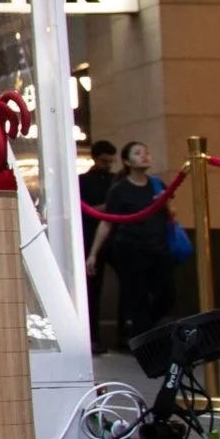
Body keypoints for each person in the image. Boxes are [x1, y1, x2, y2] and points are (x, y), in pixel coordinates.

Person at [85, 141, 175, 347]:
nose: (144, 156)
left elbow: (171, 214)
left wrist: (165, 202)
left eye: (146, 152)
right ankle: (145, 343)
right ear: (127, 161)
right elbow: (107, 221)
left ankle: (141, 330)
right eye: (137, 153)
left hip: (159, 248)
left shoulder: (157, 184)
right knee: (138, 297)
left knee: (167, 295)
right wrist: (93, 254)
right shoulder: (120, 190)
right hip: (131, 249)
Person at [78, 139, 118, 353]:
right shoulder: (83, 181)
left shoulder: (116, 180)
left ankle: (122, 334)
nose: (108, 165)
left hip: (116, 237)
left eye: (110, 161)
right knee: (93, 290)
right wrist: (105, 208)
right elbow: (83, 209)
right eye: (104, 161)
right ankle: (93, 336)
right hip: (90, 235)